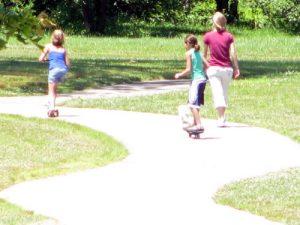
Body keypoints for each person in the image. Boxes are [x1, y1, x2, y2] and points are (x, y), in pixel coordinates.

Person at [203, 12, 240, 127]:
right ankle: (222, 116)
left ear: (213, 23)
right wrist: (236, 68)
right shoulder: (229, 36)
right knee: (223, 92)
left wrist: (205, 67)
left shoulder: (207, 36)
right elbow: (233, 53)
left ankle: (221, 117)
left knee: (217, 93)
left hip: (213, 68)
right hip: (227, 69)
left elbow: (204, 55)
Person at [175, 34, 209, 131]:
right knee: (196, 103)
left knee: (192, 103)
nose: (184, 46)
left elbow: (188, 70)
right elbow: (207, 64)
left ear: (189, 43)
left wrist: (179, 74)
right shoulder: (199, 52)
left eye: (185, 43)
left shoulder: (189, 53)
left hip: (196, 81)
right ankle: (195, 123)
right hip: (203, 80)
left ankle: (198, 124)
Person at [39, 29, 70, 115]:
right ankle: (52, 104)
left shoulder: (48, 46)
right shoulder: (63, 49)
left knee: (51, 91)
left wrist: (46, 59)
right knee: (55, 90)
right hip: (63, 70)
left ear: (52, 37)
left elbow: (40, 59)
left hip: (54, 70)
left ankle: (52, 108)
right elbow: (67, 62)